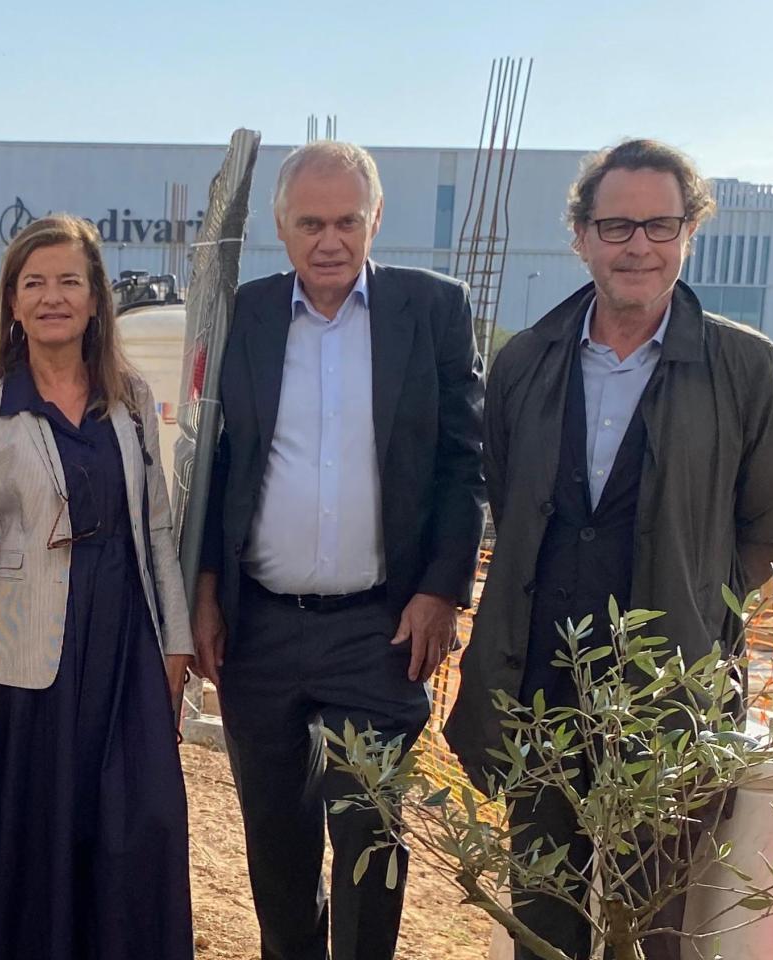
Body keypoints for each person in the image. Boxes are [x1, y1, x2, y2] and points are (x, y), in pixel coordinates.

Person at [445, 138, 773, 960]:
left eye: (659, 225)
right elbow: (515, 504)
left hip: (668, 703)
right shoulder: (526, 361)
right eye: (615, 225)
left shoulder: (745, 368)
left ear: (689, 232)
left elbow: (767, 534)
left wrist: (697, 619)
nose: (638, 245)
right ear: (580, 236)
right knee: (541, 915)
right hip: (541, 691)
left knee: (651, 930)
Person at [191, 141, 486, 960]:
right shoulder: (242, 314)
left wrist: (441, 591)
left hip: (379, 629)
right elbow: (212, 463)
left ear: (376, 219)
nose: (330, 240)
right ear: (281, 229)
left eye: (348, 220)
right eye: (310, 222)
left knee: (369, 846)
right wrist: (206, 592)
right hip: (261, 631)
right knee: (278, 854)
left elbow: (466, 462)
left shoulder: (432, 310)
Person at [0, 213, 196, 960]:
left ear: (96, 297)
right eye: (33, 283)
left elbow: (158, 530)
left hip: (125, 650)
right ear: (12, 303)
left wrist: (176, 643)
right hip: (24, 659)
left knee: (138, 828)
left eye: (69, 281)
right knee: (31, 840)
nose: (52, 297)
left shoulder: (134, 400)